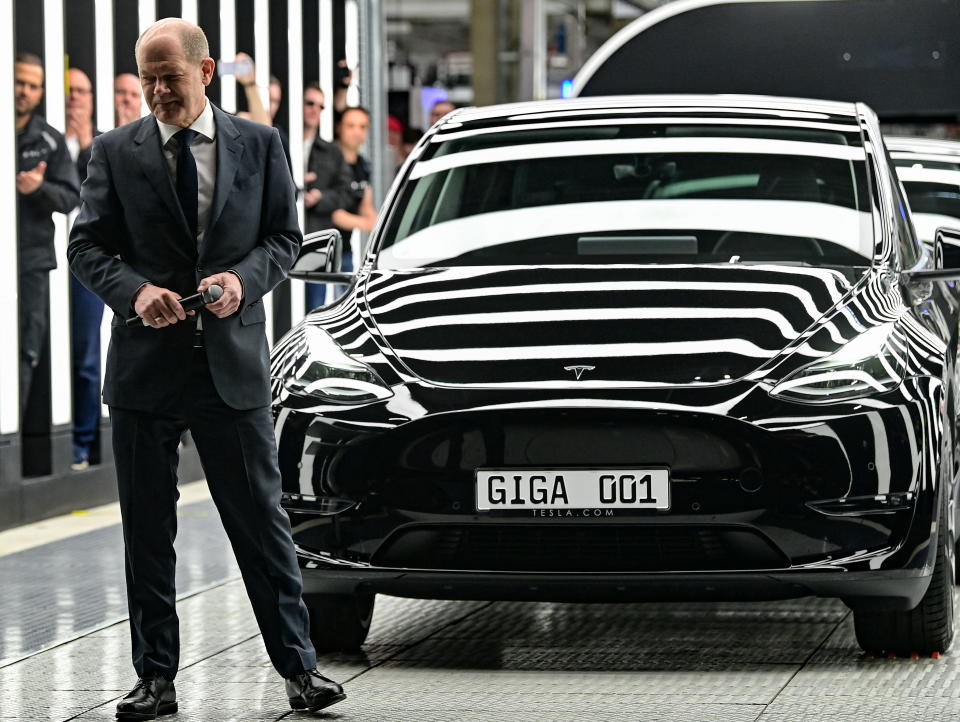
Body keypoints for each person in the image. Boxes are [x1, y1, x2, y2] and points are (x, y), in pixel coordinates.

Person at [67, 19, 345, 719]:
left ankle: (301, 672)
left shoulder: (259, 144)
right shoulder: (113, 153)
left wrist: (242, 282)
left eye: (172, 76)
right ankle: (154, 679)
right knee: (147, 534)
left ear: (207, 72)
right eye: (149, 78)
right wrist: (136, 293)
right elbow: (86, 247)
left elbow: (284, 237)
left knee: (262, 523)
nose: (159, 91)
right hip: (144, 371)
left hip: (232, 367)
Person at [15, 53, 80, 418]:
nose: (24, 91)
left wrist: (37, 188)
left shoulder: (49, 140)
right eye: (18, 82)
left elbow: (71, 197)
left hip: (31, 263)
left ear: (40, 92)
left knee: (26, 347)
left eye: (32, 85)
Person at [65, 67, 104, 470]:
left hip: (89, 266)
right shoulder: (46, 140)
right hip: (42, 267)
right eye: (69, 90)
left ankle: (84, 442)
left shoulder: (102, 146)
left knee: (88, 356)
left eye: (82, 91)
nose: (74, 98)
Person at [302, 83, 351, 311]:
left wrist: (320, 198)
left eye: (320, 106)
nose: (315, 110)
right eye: (310, 103)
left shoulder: (331, 152)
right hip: (280, 237)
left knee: (314, 307)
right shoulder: (280, 141)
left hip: (315, 240)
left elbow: (344, 193)